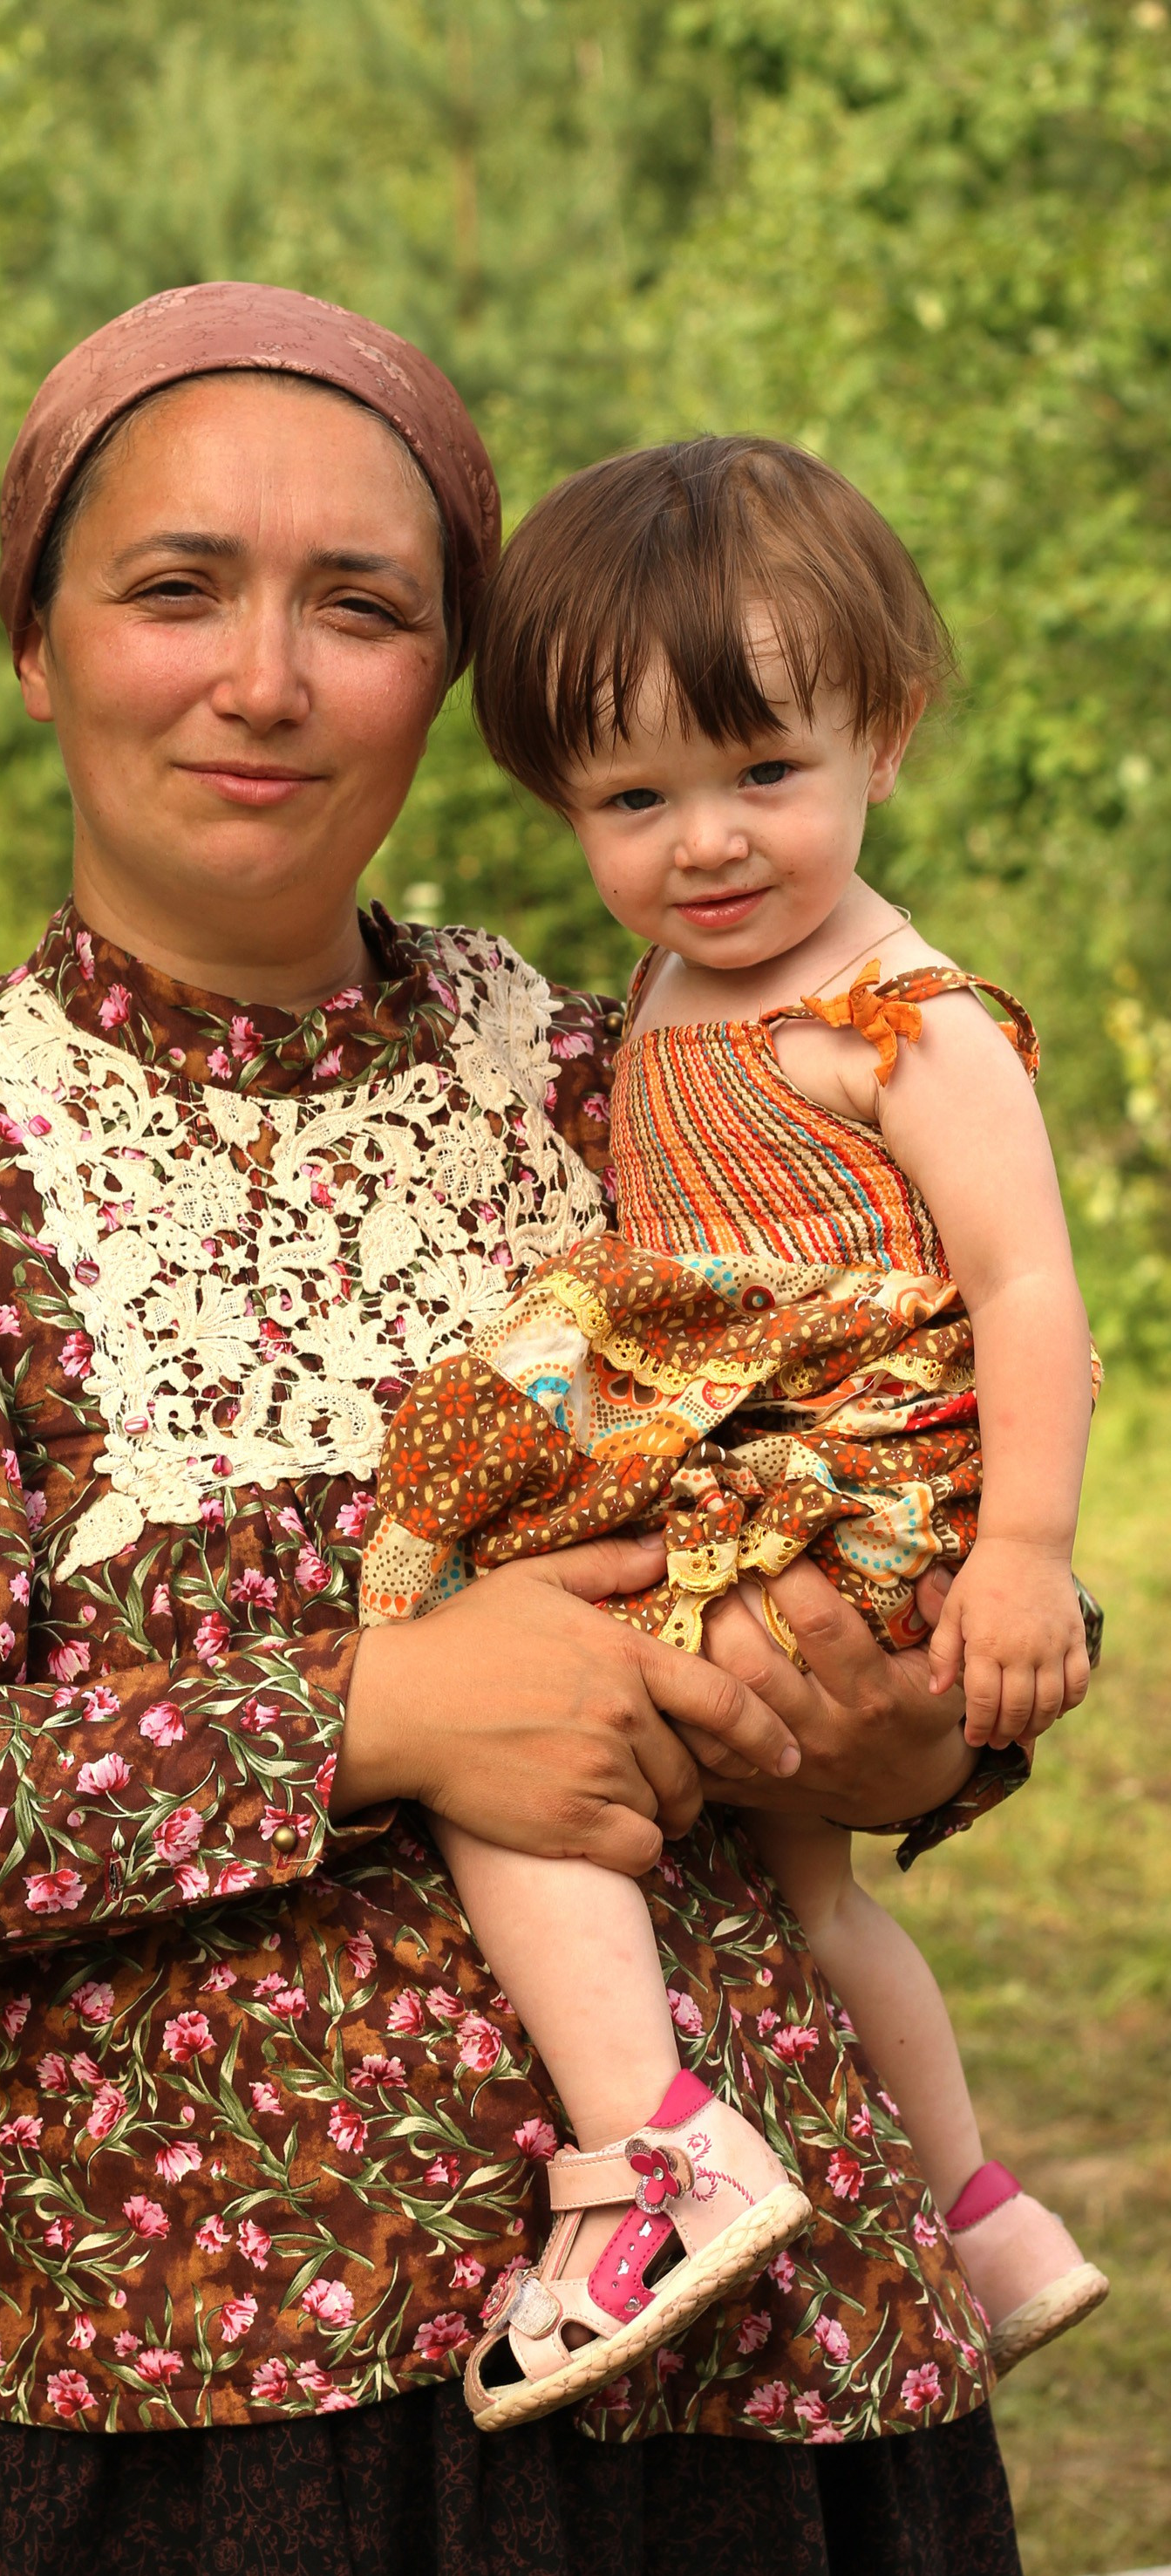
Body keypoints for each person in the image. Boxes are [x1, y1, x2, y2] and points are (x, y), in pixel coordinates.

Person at [0, 288, 1032, 2576]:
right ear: (39, 644)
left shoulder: (672, 1085)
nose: (264, 682)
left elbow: (942, 1503)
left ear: (457, 687)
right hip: (123, 2415)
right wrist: (379, 1710)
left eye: (362, 607)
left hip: (726, 2425)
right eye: (176, 589)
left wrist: (906, 1712)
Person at [361, 436, 1108, 2435]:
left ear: (887, 727)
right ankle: (978, 2211)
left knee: (505, 1747)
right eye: (633, 797)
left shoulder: (902, 1016)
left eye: (761, 771)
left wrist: (1023, 1558)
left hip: (834, 1493)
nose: (705, 840)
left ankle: (655, 2149)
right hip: (733, 1468)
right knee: (813, 1903)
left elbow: (1030, 1296)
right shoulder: (674, 985)